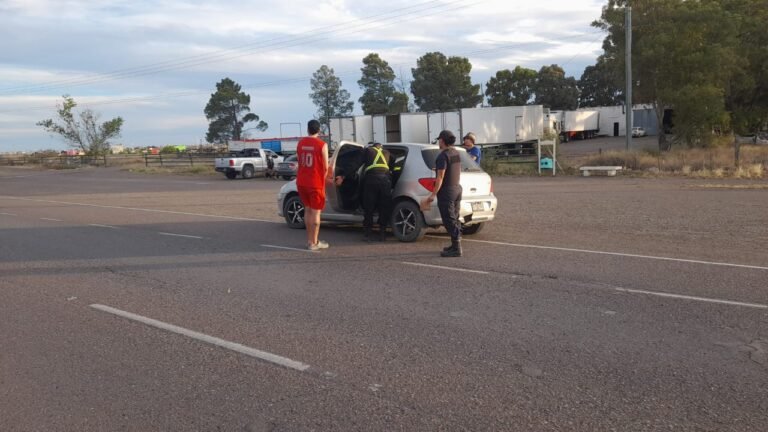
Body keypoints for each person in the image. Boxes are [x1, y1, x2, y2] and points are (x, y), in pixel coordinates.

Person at [425, 130, 463, 257]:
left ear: (442, 140)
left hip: (447, 191)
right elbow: (452, 168)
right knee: (455, 217)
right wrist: (439, 169)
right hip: (457, 189)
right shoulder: (455, 152)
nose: (438, 142)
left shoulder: (442, 156)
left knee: (448, 220)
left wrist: (432, 195)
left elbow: (440, 178)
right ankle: (454, 244)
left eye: (439, 140)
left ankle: (457, 249)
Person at [296, 120, 331, 251]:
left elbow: (299, 161)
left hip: (302, 181)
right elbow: (325, 167)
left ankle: (309, 240)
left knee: (308, 210)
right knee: (316, 213)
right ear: (319, 130)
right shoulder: (322, 145)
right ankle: (314, 243)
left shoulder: (300, 143)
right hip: (315, 183)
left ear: (307, 129)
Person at [361, 142, 393, 242]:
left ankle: (367, 234)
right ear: (381, 147)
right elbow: (394, 163)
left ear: (373, 147)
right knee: (384, 207)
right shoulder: (387, 152)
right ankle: (382, 234)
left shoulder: (368, 151)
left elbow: (358, 163)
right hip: (385, 182)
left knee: (369, 207)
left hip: (371, 181)